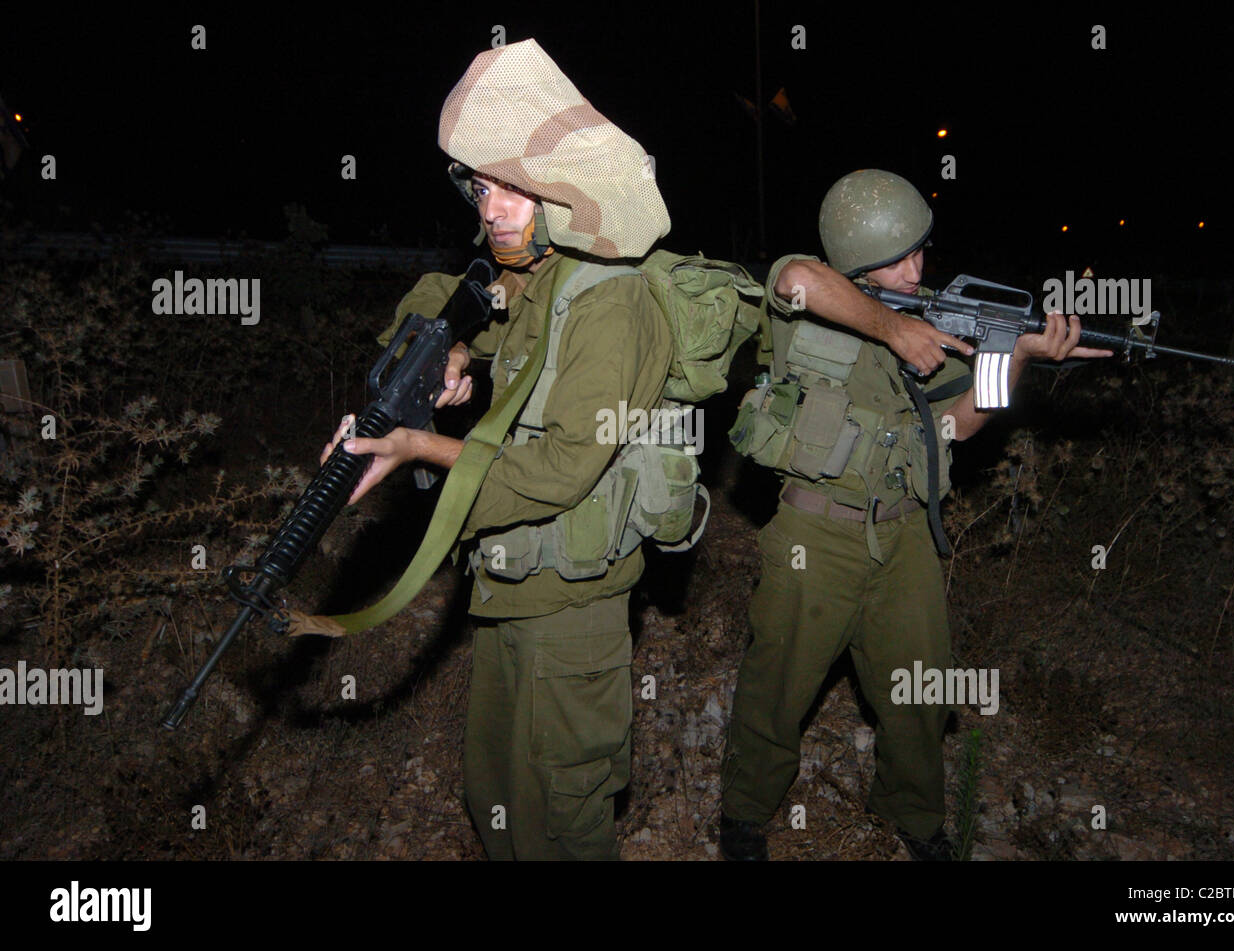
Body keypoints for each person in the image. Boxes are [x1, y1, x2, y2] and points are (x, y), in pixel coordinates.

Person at [320, 39, 673, 860]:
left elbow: (559, 470)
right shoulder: (536, 277)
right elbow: (455, 297)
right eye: (484, 189)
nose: (494, 210)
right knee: (498, 801)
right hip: (512, 584)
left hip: (572, 608)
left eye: (517, 191)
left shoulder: (609, 304)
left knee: (566, 813)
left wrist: (415, 447)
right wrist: (446, 349)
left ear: (563, 199)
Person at [719, 169, 1110, 860]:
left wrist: (1015, 355)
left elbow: (960, 423)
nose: (916, 269)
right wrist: (893, 327)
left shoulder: (930, 322)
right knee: (777, 686)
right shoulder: (807, 294)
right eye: (896, 259)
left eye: (920, 251)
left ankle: (915, 814)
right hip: (815, 530)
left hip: (902, 532)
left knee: (920, 692)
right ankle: (746, 815)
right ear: (856, 261)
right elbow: (792, 279)